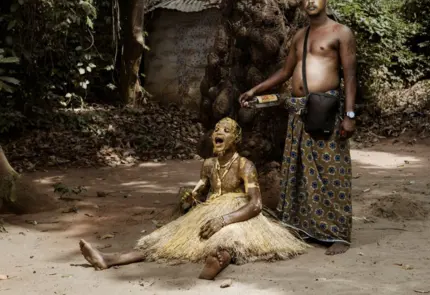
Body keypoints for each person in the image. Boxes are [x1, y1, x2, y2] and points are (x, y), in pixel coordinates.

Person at [78, 117, 308, 280]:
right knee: (164, 239)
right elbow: (198, 194)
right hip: (208, 211)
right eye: (216, 129)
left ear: (236, 139)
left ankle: (216, 263)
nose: (218, 133)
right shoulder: (208, 165)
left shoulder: (245, 165)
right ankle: (110, 259)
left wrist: (224, 220)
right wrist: (188, 200)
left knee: (230, 238)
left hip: (237, 215)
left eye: (225, 130)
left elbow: (256, 204)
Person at [239, 0, 357, 255]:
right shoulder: (300, 36)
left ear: (325, 0)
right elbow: (284, 72)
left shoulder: (341, 33)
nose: (311, 1)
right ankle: (309, 230)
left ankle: (338, 234)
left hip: (326, 110)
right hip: (298, 111)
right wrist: (255, 89)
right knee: (301, 172)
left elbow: (350, 76)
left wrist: (350, 115)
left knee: (332, 172)